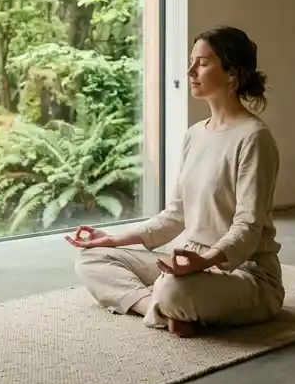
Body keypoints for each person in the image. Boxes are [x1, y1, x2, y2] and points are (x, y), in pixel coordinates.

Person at [66, 26, 282, 338]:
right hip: (186, 264)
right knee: (92, 259)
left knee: (172, 289)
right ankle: (161, 310)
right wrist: (113, 239)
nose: (191, 71)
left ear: (232, 74)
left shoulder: (254, 138)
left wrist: (203, 262)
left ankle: (167, 303)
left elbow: (247, 228)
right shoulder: (194, 134)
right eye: (192, 62)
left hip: (244, 275)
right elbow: (175, 215)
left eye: (202, 63)